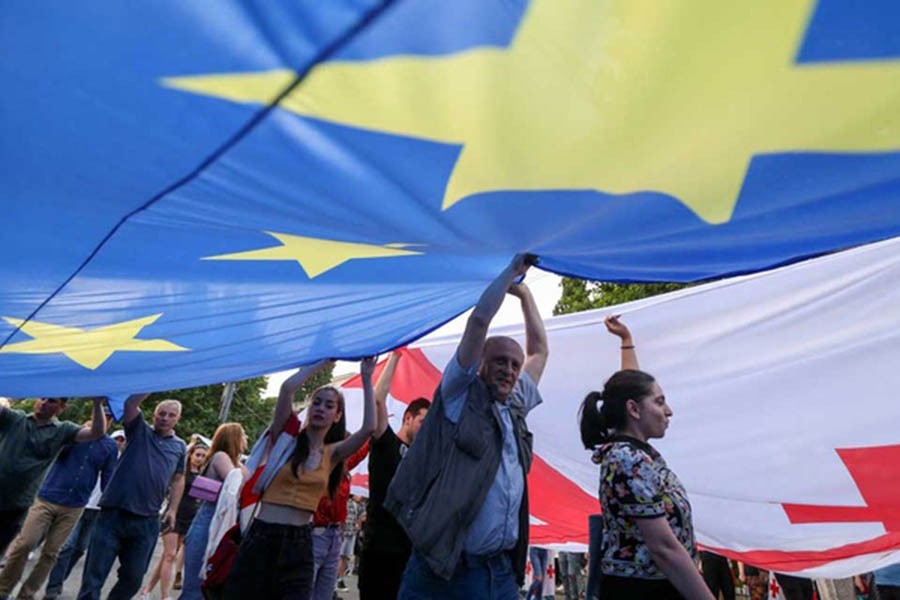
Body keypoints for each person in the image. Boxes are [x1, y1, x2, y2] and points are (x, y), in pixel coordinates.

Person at [386, 253, 549, 599]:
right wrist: (510, 274)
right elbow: (479, 322)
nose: (508, 369)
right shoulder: (459, 396)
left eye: (514, 364)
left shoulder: (514, 407)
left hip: (500, 573)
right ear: (479, 366)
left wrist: (526, 295)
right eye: (499, 361)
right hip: (447, 570)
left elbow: (540, 350)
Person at [579, 316, 714, 600]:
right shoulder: (630, 461)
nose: (668, 411)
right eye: (660, 401)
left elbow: (631, 390)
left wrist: (627, 342)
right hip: (645, 591)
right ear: (634, 411)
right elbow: (663, 547)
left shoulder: (631, 450)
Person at [224, 358, 376, 600]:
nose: (320, 409)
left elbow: (369, 428)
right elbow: (287, 387)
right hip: (263, 536)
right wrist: (327, 360)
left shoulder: (333, 453)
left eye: (329, 406)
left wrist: (367, 377)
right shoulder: (285, 440)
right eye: (317, 403)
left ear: (337, 416)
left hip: (301, 541)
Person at [77, 396, 187, 600]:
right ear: (154, 415)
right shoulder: (139, 431)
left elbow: (179, 479)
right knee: (94, 576)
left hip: (147, 520)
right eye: (161, 413)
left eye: (171, 415)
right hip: (114, 514)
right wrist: (155, 377)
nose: (165, 418)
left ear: (178, 419)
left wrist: (172, 510)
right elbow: (130, 405)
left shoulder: (180, 447)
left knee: (134, 578)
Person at [0, 410, 116, 600]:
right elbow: (51, 450)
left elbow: (108, 477)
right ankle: (3, 589)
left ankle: (26, 594)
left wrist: (108, 504)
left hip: (75, 505)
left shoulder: (109, 446)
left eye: (109, 416)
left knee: (51, 553)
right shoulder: (73, 435)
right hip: (47, 497)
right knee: (25, 544)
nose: (105, 418)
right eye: (102, 414)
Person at [356, 350, 430, 600]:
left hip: (410, 553)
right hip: (380, 551)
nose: (426, 430)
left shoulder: (423, 459)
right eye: (423, 422)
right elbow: (377, 400)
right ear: (408, 418)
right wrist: (396, 358)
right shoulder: (385, 442)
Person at [0, 397, 107, 557]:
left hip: (16, 506)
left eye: (51, 401)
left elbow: (96, 433)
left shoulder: (63, 430)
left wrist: (97, 403)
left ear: (61, 407)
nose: (43, 403)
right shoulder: (15, 418)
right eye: (42, 398)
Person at [44, 429, 126, 600]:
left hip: (99, 511)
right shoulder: (99, 453)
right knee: (67, 546)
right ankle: (53, 586)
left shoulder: (122, 462)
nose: (120, 442)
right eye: (117, 439)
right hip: (81, 505)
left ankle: (60, 579)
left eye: (122, 440)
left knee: (81, 548)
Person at [179, 423, 248, 600]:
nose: (246, 439)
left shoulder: (235, 462)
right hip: (208, 521)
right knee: (196, 586)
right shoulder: (220, 457)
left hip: (220, 523)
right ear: (233, 438)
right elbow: (236, 482)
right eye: (243, 435)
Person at [142, 440, 209, 600]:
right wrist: (190, 445)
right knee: (171, 555)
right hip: (174, 515)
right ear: (191, 455)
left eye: (203, 456)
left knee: (168, 556)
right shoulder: (182, 472)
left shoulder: (203, 473)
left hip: (190, 518)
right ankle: (165, 596)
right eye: (197, 454)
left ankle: (147, 590)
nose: (200, 458)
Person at [309, 438, 369, 600]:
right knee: (307, 586)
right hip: (317, 532)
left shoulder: (343, 468)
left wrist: (372, 435)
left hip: (335, 533)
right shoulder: (318, 466)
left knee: (325, 589)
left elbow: (360, 452)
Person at [336, 495, 364, 592]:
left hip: (352, 533)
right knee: (340, 556)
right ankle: (335, 580)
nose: (360, 497)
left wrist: (360, 521)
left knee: (346, 557)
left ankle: (340, 579)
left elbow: (362, 517)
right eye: (358, 495)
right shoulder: (347, 502)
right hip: (344, 532)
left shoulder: (360, 505)